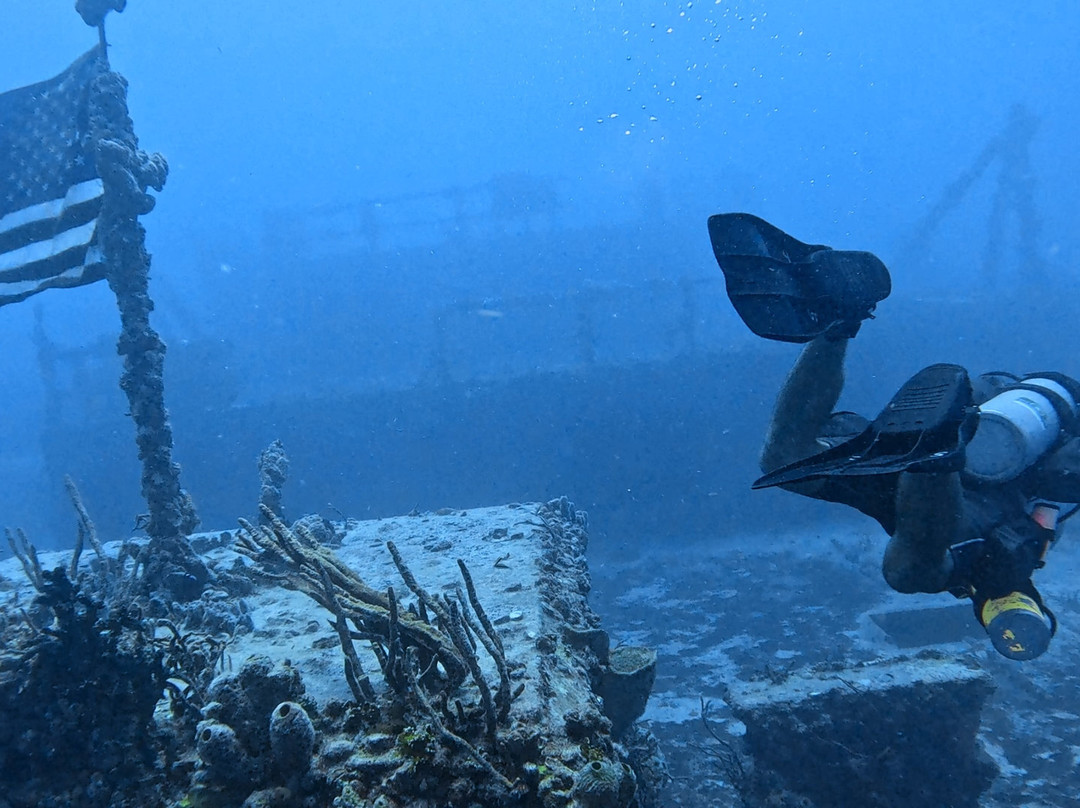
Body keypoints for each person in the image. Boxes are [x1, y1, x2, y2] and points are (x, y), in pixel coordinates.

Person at [708, 212, 1080, 661]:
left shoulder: (1005, 550)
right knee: (908, 572)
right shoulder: (998, 559)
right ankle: (937, 453)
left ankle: (838, 322)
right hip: (974, 473)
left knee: (786, 458)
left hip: (968, 441)